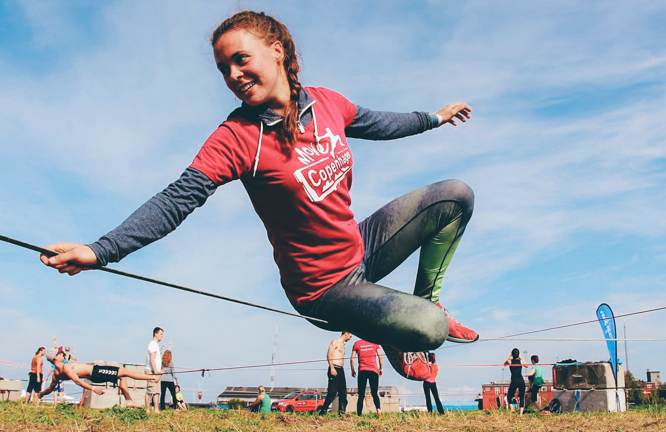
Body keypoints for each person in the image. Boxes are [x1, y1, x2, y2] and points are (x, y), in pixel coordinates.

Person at [39, 10, 476, 382]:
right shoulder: (237, 137)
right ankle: (400, 334)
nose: (233, 76)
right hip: (322, 290)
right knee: (430, 328)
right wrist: (101, 251)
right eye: (224, 68)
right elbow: (176, 200)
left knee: (456, 196)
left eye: (241, 59)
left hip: (360, 250)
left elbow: (381, 123)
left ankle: (426, 297)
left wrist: (434, 118)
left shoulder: (327, 104)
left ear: (278, 51)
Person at [37, 347, 161, 407]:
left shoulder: (56, 375)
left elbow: (50, 388)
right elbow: (77, 381)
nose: (62, 353)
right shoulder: (66, 368)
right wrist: (93, 389)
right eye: (60, 353)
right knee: (125, 372)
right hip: (97, 372)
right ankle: (151, 378)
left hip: (95, 373)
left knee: (122, 376)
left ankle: (128, 400)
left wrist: (41, 394)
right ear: (55, 358)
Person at [319, 332, 352, 415]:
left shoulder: (344, 345)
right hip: (334, 367)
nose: (350, 338)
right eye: (350, 336)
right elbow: (328, 355)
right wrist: (332, 368)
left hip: (341, 369)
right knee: (332, 392)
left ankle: (342, 412)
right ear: (346, 334)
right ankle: (323, 411)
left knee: (343, 392)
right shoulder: (335, 342)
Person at [350, 338, 384, 416]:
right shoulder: (375, 342)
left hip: (362, 371)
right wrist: (381, 368)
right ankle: (378, 409)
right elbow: (380, 356)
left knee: (361, 394)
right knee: (374, 393)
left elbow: (352, 359)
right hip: (373, 371)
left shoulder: (356, 343)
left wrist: (352, 369)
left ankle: (359, 414)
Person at [145, 327, 165, 414]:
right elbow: (152, 360)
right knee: (150, 391)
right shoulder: (152, 344)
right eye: (161, 334)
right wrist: (155, 372)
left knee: (156, 391)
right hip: (151, 371)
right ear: (155, 334)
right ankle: (147, 409)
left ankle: (156, 409)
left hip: (156, 371)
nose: (162, 336)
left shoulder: (155, 345)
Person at [503, 348, 526, 415]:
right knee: (522, 397)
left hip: (514, 380)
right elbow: (526, 365)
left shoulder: (510, 361)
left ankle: (512, 409)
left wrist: (510, 358)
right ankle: (521, 414)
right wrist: (521, 357)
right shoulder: (521, 361)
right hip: (521, 380)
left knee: (509, 396)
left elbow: (504, 364)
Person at [160, 343, 178, 410]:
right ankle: (175, 407)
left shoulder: (161, 362)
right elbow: (173, 372)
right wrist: (176, 379)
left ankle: (162, 407)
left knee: (163, 395)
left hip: (162, 380)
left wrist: (163, 348)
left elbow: (160, 355)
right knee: (173, 394)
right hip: (170, 380)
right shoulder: (171, 363)